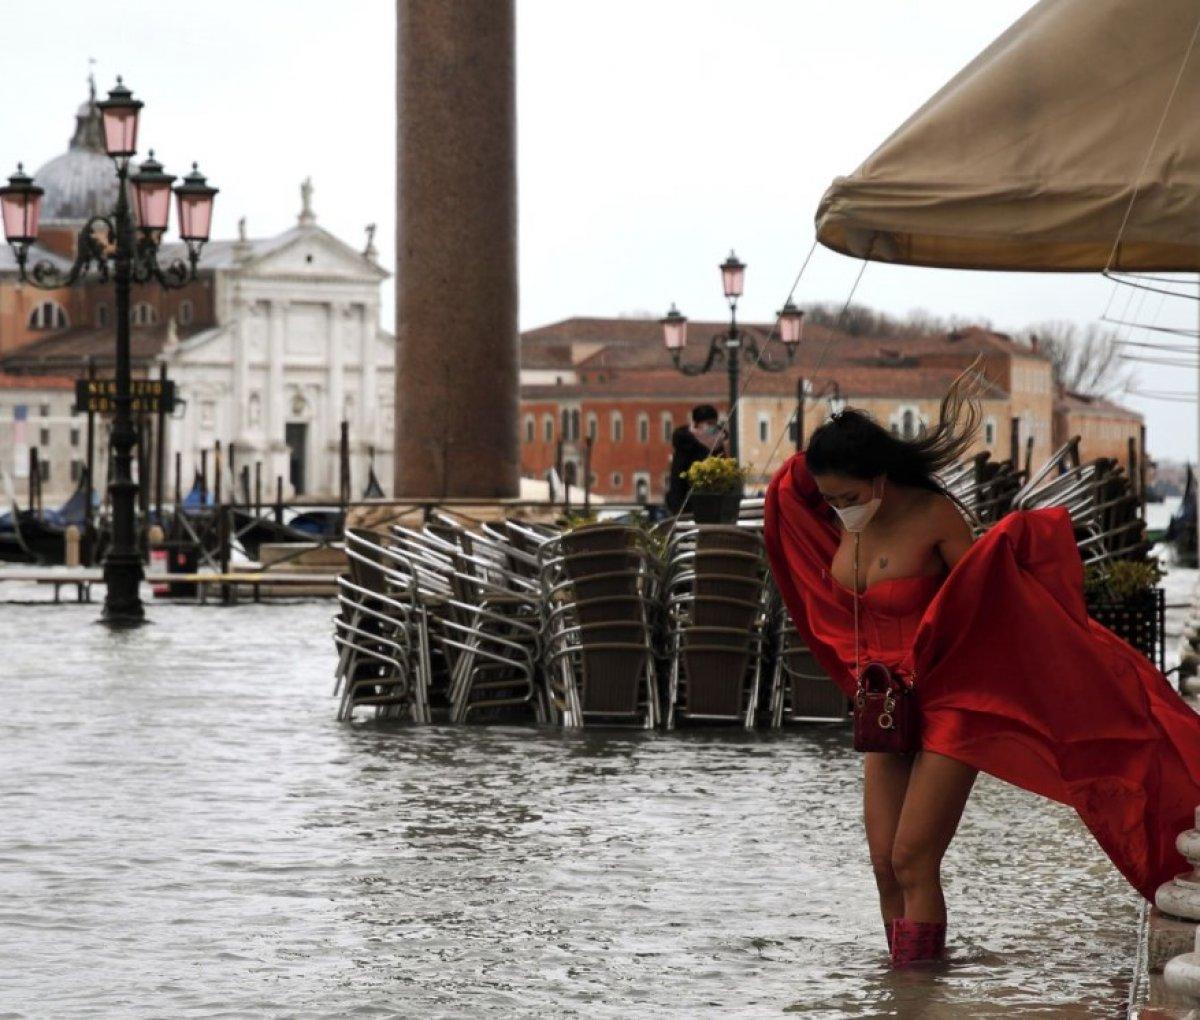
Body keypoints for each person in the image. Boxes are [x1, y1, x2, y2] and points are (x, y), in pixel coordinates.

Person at [763, 366, 1200, 968]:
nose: (840, 510)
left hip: (953, 700)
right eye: (831, 500)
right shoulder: (832, 520)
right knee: (883, 861)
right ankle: (904, 994)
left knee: (914, 857)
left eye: (849, 497)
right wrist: (826, 449)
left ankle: (920, 989)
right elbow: (788, 488)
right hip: (884, 705)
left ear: (881, 480)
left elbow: (988, 600)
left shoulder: (936, 516)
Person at [665, 404, 727, 515]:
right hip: (686, 506)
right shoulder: (685, 445)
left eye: (714, 423)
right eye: (708, 424)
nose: (712, 428)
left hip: (714, 505)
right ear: (696, 425)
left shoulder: (717, 443)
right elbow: (679, 481)